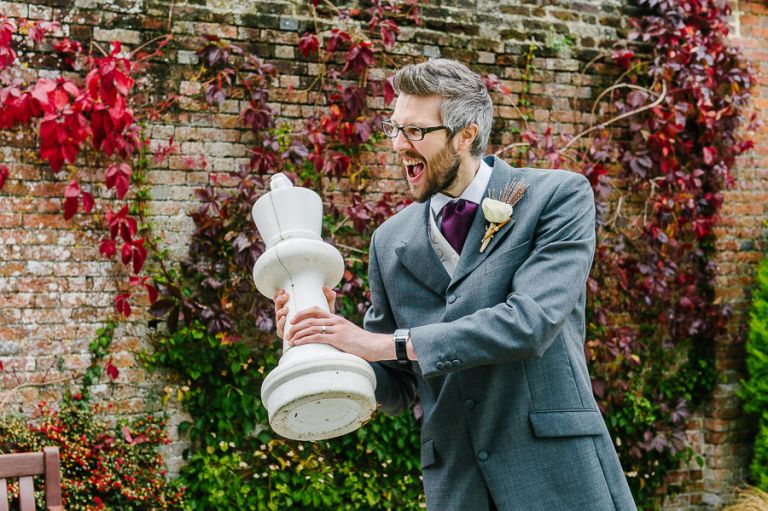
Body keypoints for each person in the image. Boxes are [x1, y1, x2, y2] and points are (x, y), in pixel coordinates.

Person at [274, 59, 636, 511]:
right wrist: (326, 339)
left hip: (557, 474)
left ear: (466, 134)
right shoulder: (388, 241)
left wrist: (385, 343)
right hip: (458, 487)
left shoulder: (557, 198)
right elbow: (397, 388)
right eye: (395, 128)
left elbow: (530, 323)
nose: (398, 145)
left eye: (415, 131)